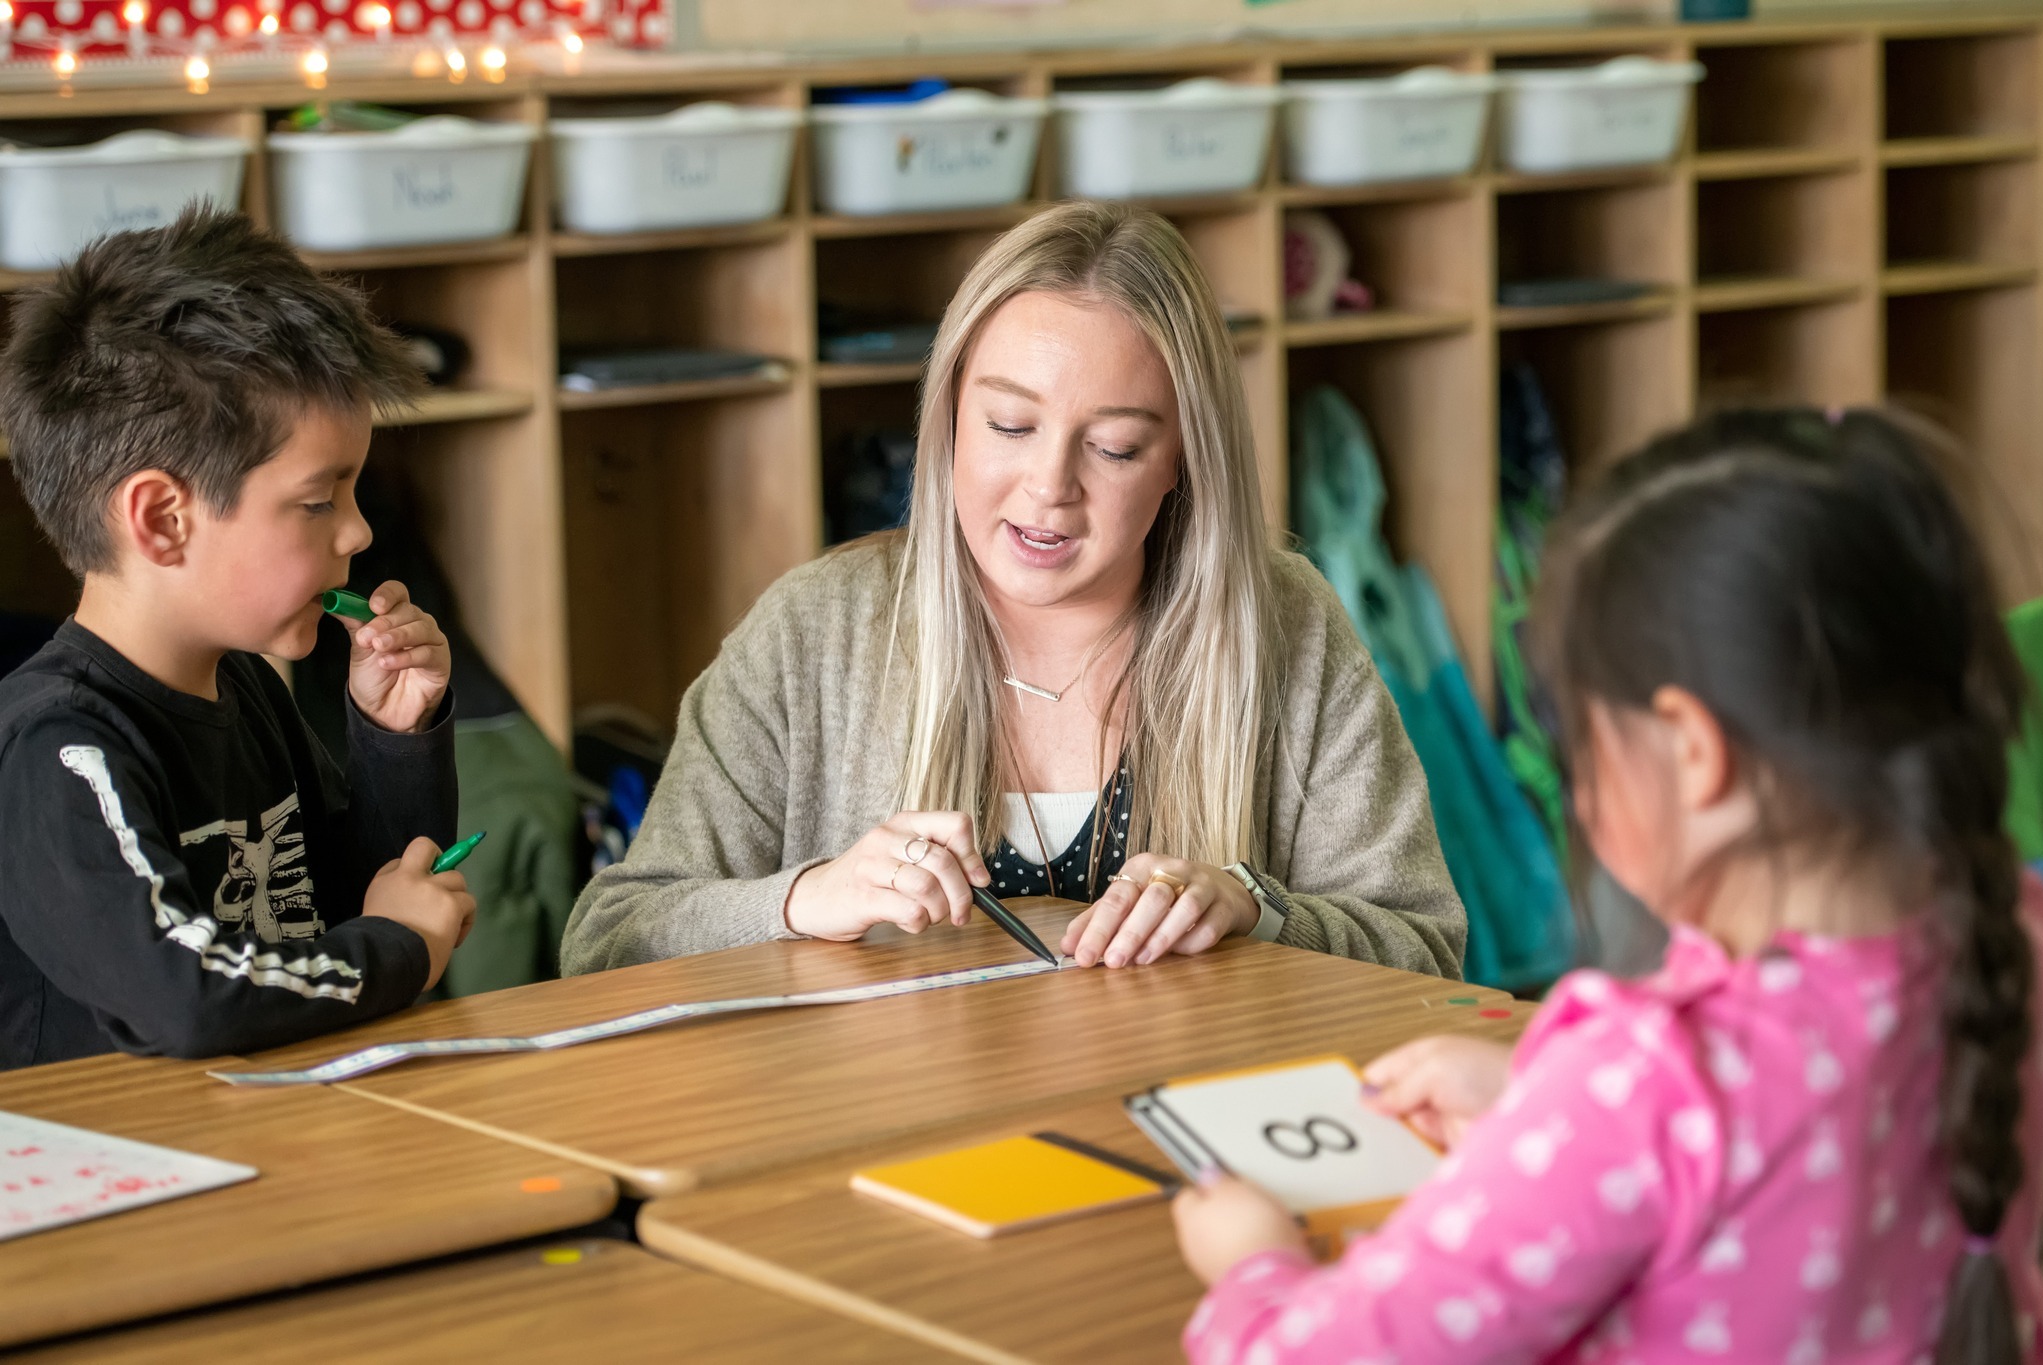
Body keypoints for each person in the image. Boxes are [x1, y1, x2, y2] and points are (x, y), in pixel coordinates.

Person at [1170, 407, 2043, 1362]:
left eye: (1582, 736)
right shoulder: (2013, 943)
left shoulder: (1648, 1085)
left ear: (1692, 753)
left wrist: (1254, 1264)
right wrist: (1542, 1095)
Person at [563, 201, 1463, 976]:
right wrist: (804, 899)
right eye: (1009, 425)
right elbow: (608, 941)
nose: (1049, 486)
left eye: (1113, 447)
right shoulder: (814, 631)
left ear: (1185, 460)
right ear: (948, 417)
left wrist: (1256, 910)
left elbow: (1426, 948)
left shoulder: (1286, 623)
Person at [0, 207, 475, 1070]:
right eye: (319, 499)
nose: (360, 533)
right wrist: (400, 949)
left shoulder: (243, 686)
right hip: (119, 1183)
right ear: (162, 519)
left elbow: (349, 903)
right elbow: (189, 996)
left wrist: (394, 739)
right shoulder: (60, 748)